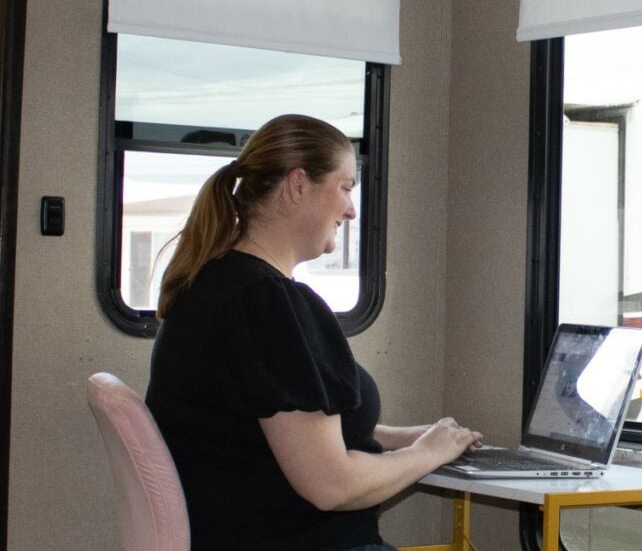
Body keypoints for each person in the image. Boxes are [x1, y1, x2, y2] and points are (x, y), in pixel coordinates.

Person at [146, 114, 482, 550]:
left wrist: (411, 438)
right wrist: (426, 455)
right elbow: (330, 485)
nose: (351, 209)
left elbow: (275, 433)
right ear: (298, 185)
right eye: (344, 188)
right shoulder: (265, 304)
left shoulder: (214, 284)